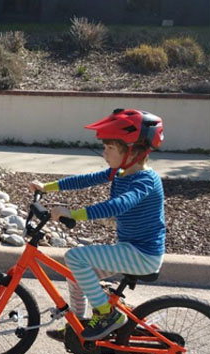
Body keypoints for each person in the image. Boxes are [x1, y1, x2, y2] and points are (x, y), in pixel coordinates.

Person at [29, 109, 166, 341]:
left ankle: (107, 314)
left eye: (110, 147)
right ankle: (77, 325)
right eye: (105, 147)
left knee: (75, 257)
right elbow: (86, 180)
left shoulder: (145, 181)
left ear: (132, 151)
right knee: (76, 275)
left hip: (143, 255)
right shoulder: (120, 172)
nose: (104, 152)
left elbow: (118, 206)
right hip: (130, 249)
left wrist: (73, 214)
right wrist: (47, 187)